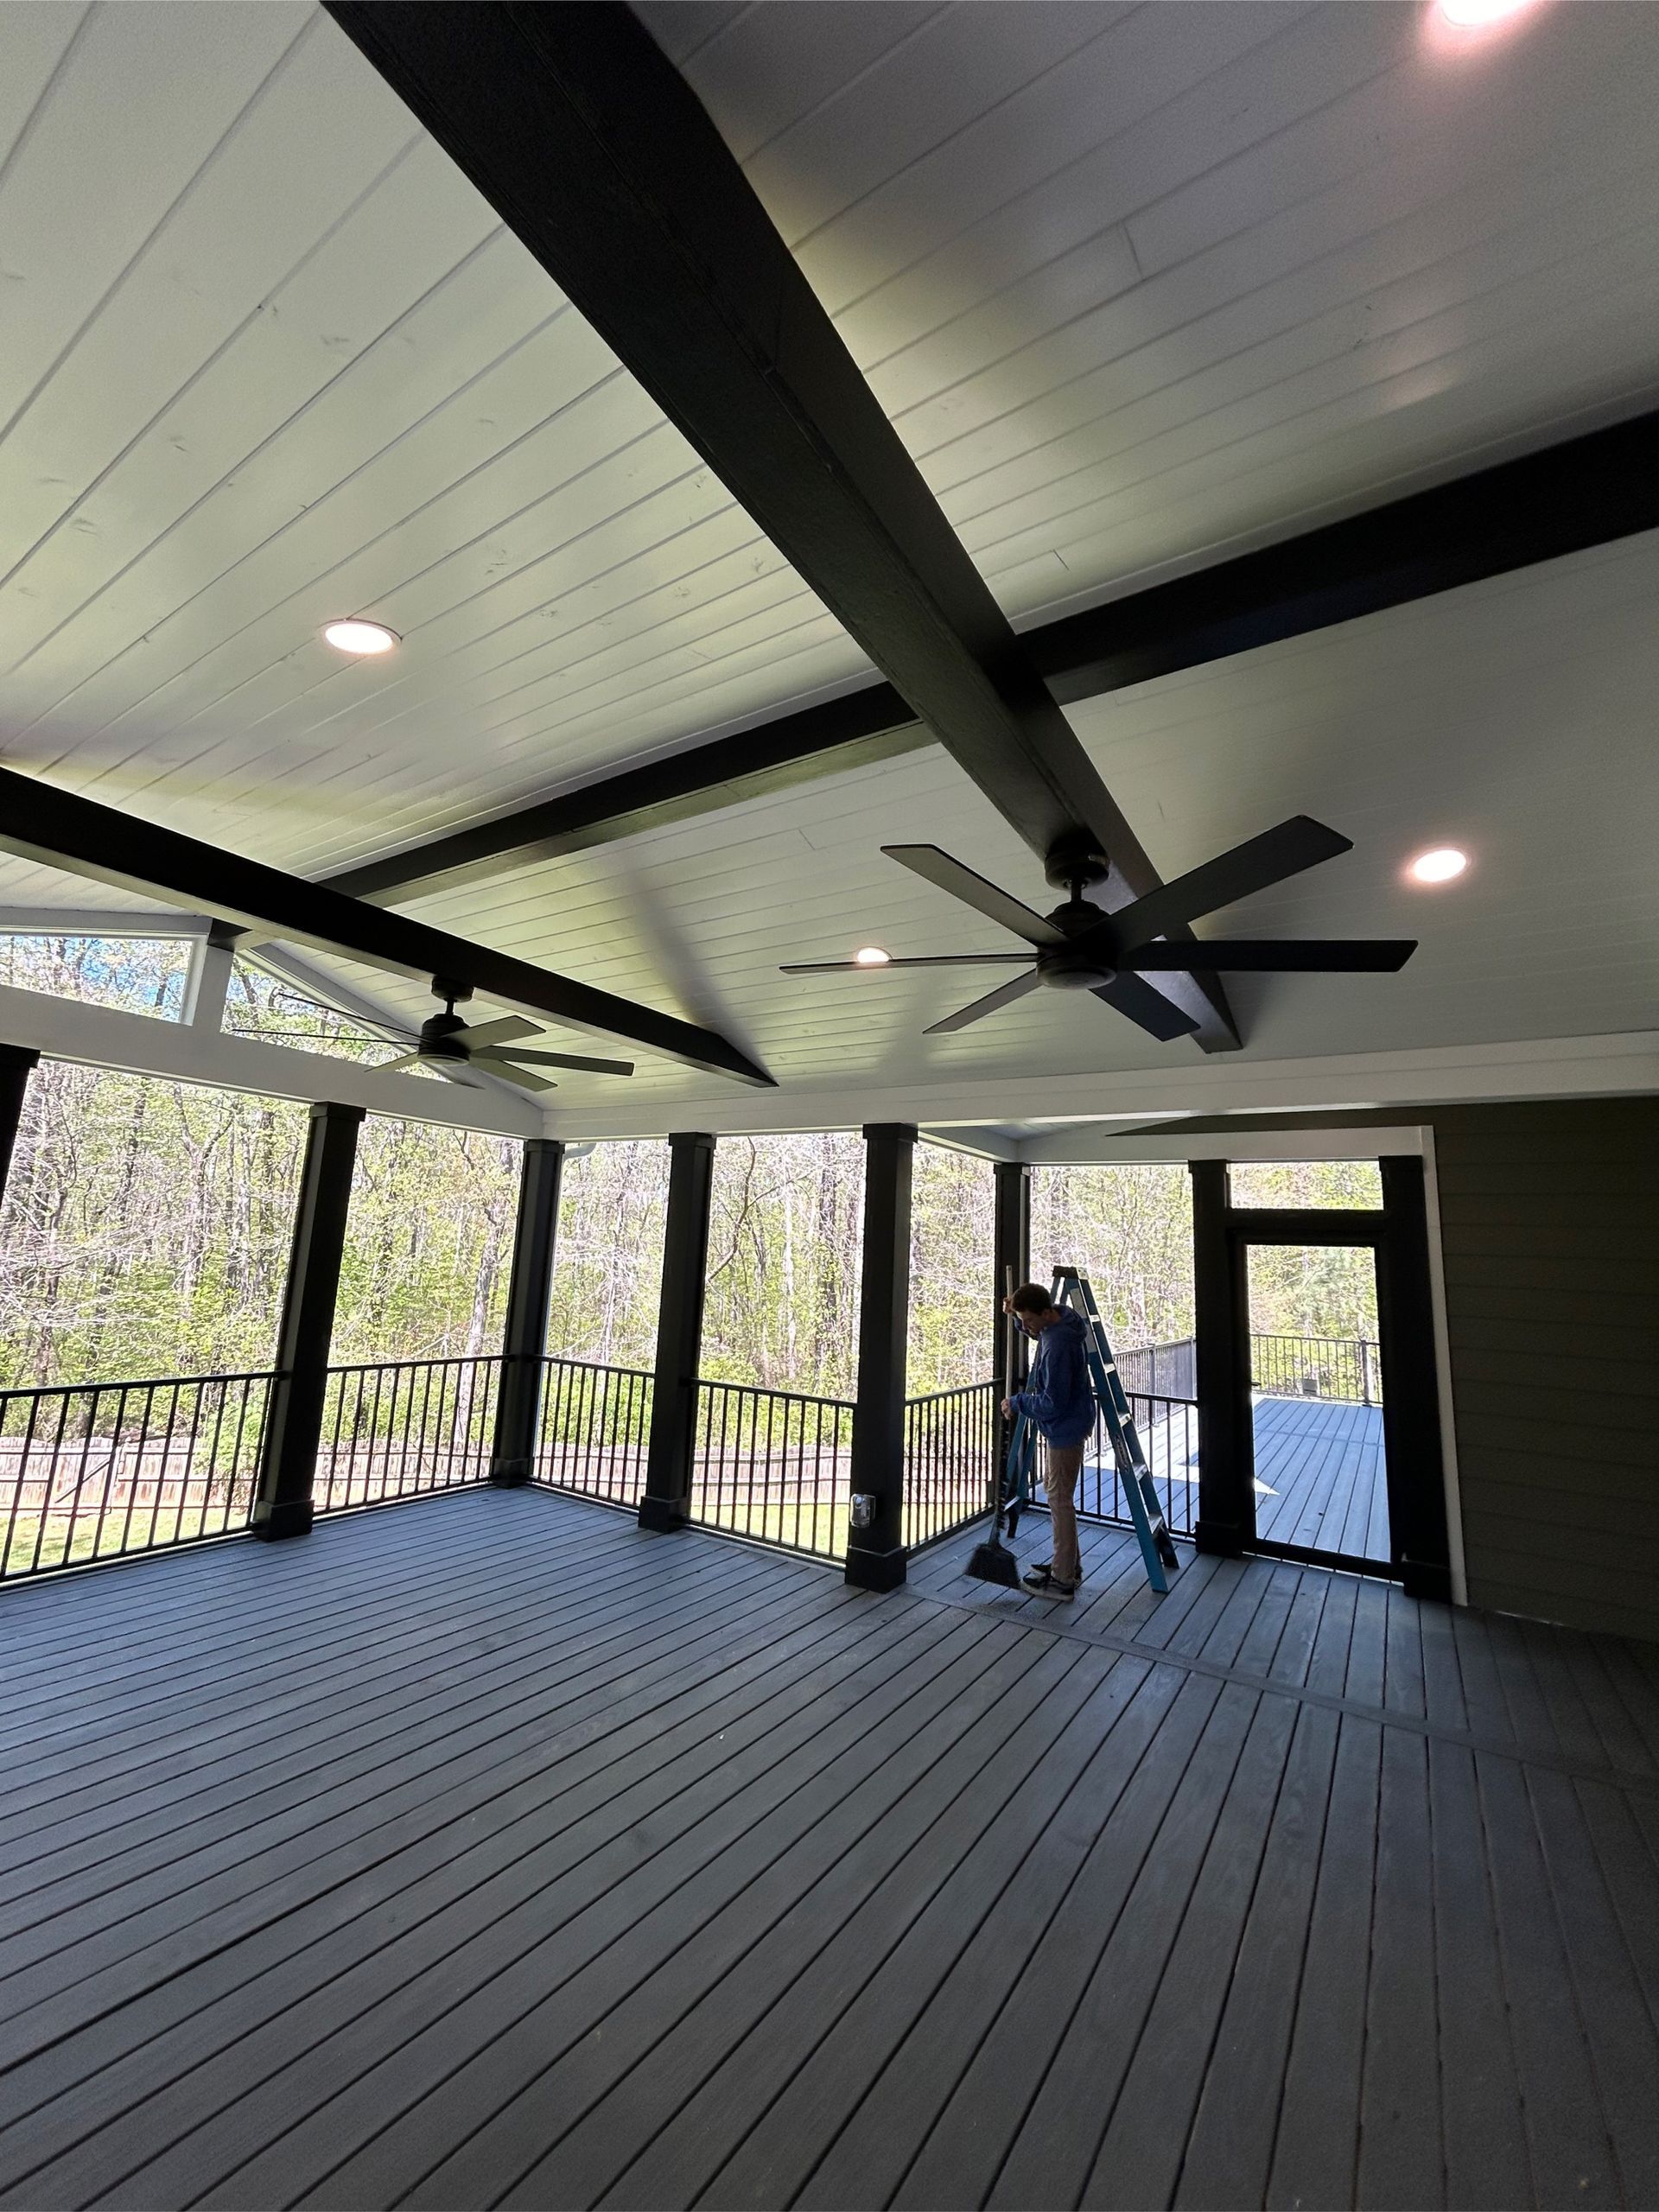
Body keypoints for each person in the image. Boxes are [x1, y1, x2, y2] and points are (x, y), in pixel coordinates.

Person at [1001, 1282, 1096, 1599]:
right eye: (1022, 1321)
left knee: (1058, 1501)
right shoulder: (1062, 1322)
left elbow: (1052, 1401)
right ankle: (1068, 1566)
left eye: (1028, 1320)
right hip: (1071, 1423)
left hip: (1065, 1428)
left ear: (1045, 1312)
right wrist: (1016, 1318)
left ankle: (1062, 1581)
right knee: (1060, 1499)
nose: (1026, 1327)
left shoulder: (1057, 1345)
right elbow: (1035, 1331)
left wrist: (1017, 1403)